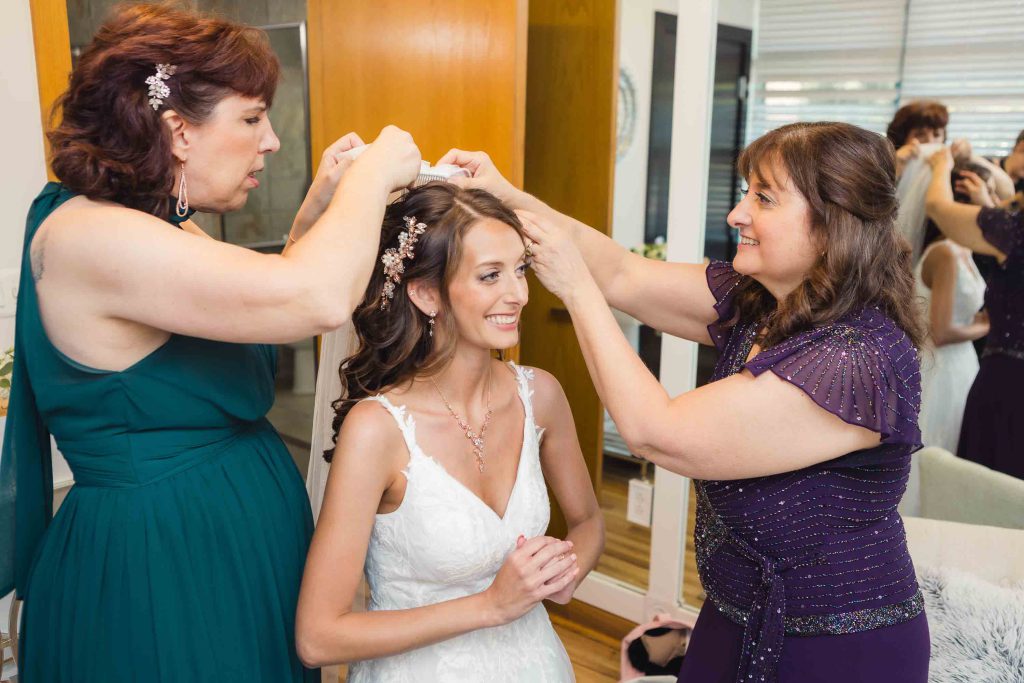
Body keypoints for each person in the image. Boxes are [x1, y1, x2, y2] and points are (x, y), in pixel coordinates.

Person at [0, 4, 420, 681]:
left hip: (230, 544)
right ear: (177, 131)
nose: (271, 141)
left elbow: (250, 304)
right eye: (252, 118)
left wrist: (315, 207)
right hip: (161, 566)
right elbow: (310, 298)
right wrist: (374, 179)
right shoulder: (91, 235)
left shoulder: (155, 224)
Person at [441, 121, 930, 682]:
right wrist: (507, 198)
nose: (737, 214)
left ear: (832, 225)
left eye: (763, 198)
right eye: (746, 192)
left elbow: (657, 432)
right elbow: (623, 273)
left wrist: (575, 290)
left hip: (839, 643)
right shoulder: (763, 304)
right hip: (733, 613)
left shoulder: (855, 361)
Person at [296, 182, 603, 681]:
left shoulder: (540, 396)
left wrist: (568, 571)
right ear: (426, 293)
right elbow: (318, 637)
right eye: (490, 276)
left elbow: (588, 522)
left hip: (538, 664)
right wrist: (491, 605)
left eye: (520, 270)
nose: (519, 294)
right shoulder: (377, 431)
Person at [926, 147, 1024, 479]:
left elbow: (937, 207)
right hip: (981, 371)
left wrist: (942, 165)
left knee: (990, 483)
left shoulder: (1012, 232)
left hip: (1007, 382)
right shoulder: (950, 253)